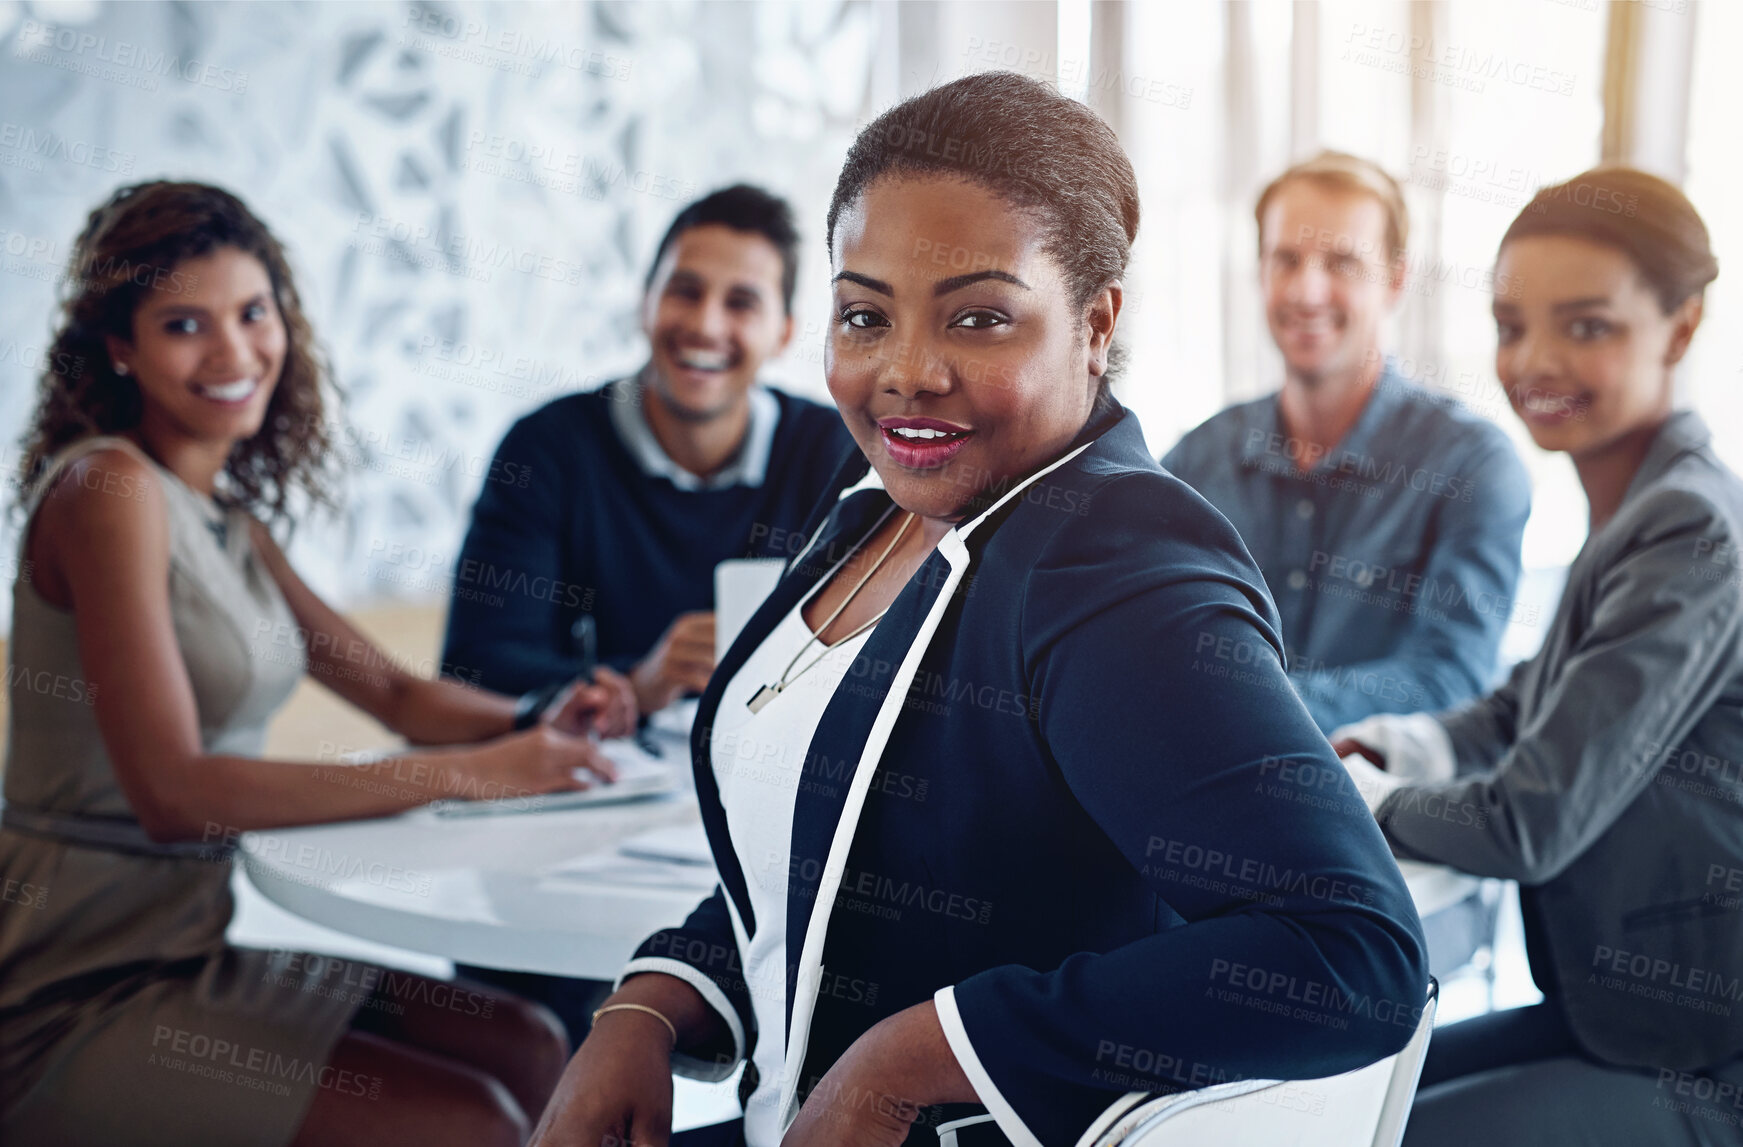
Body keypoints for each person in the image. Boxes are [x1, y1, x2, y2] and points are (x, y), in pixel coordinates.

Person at [530, 72, 1429, 1147]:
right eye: (866, 314)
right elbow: (826, 859)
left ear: (1096, 324)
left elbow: (1350, 954)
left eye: (980, 318)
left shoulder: (1117, 562)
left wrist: (905, 1062)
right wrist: (655, 1001)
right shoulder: (877, 507)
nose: (907, 371)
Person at [0, 181, 634, 1147]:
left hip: (192, 950)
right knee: (474, 1121)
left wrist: (536, 720)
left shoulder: (228, 524)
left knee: (534, 1046)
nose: (233, 351)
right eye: (184, 324)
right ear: (120, 348)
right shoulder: (107, 489)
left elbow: (392, 691)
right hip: (73, 982)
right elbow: (174, 791)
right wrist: (474, 774)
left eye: (254, 313)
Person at [1332, 168, 1743, 1146]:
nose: (1536, 360)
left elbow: (1532, 821)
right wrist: (1399, 743)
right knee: (1343, 1091)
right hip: (1615, 1015)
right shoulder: (1641, 505)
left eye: (1587, 326)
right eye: (1513, 326)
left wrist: (1363, 803)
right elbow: (1523, 709)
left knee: (1382, 1130)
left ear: (1679, 330)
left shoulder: (1687, 524)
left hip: (1700, 1051)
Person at [441, 184, 855, 716]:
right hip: (593, 784)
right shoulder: (545, 451)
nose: (706, 325)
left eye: (741, 303)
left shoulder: (835, 453)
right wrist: (636, 682)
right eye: (685, 291)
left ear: (783, 334)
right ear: (645, 304)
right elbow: (473, 670)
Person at [1162, 152, 1531, 733]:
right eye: (1287, 260)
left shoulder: (1473, 464)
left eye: (1341, 263)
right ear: (1260, 272)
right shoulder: (1195, 461)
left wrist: (1240, 708)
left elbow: (1448, 677)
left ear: (1396, 279)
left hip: (1378, 816)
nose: (1308, 292)